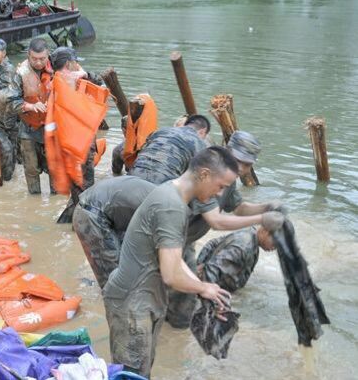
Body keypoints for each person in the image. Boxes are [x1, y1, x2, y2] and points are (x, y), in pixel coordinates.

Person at [102, 146, 286, 378]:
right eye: (220, 187)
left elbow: (176, 263)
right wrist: (203, 287)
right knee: (132, 374)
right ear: (204, 174)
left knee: (141, 371)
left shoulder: (175, 200)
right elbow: (171, 274)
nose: (220, 194)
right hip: (132, 302)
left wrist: (209, 294)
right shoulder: (170, 207)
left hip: (144, 299)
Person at [166, 130, 288, 328]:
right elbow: (216, 221)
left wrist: (266, 207)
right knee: (172, 301)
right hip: (171, 240)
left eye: (248, 164)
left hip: (184, 242)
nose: (242, 168)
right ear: (227, 150)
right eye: (239, 161)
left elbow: (239, 208)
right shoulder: (211, 175)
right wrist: (263, 218)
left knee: (182, 310)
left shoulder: (228, 181)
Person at [49, 46, 104, 222]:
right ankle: (82, 227)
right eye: (75, 62)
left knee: (77, 190)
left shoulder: (56, 82)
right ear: (68, 63)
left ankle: (66, 221)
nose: (78, 65)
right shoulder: (64, 83)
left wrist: (84, 75)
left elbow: (100, 84)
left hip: (69, 145)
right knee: (85, 191)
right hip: (78, 147)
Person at [72, 176, 156, 288]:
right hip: (92, 214)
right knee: (115, 284)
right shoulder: (171, 213)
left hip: (103, 210)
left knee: (125, 270)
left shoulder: (167, 195)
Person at [7, 38, 53, 194]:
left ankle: (56, 200)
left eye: (42, 59)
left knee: (55, 168)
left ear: (48, 55)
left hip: (51, 128)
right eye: (34, 59)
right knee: (31, 169)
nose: (39, 63)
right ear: (28, 55)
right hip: (28, 127)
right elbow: (12, 102)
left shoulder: (57, 67)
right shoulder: (20, 73)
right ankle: (34, 201)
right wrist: (31, 106)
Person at [127, 114, 211, 184]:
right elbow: (196, 178)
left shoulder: (161, 130)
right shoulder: (200, 143)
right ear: (202, 131)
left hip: (132, 176)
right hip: (161, 185)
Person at [196, 226, 276, 293]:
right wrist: (207, 294)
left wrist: (200, 263)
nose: (275, 248)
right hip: (216, 289)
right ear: (265, 231)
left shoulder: (248, 233)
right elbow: (211, 271)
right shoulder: (244, 247)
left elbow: (213, 243)